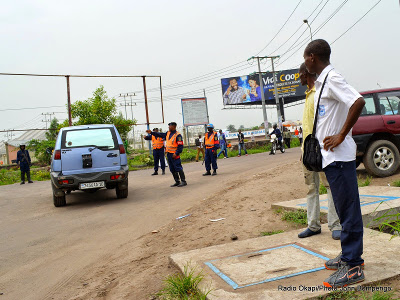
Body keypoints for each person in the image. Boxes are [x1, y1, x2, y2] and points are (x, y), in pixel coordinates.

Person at [304, 39, 366, 288]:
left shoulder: (333, 78)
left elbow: (358, 101)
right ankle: (348, 255)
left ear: (311, 57)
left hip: (339, 157)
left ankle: (353, 266)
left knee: (348, 211)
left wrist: (341, 134)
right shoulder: (324, 81)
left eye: (305, 58)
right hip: (332, 158)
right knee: (342, 209)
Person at [297, 62, 341, 241]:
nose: (298, 77)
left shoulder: (319, 94)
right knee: (311, 188)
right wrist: (303, 151)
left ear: (306, 74)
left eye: (299, 74)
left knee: (330, 187)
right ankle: (313, 225)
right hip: (307, 151)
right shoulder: (308, 95)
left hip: (321, 150)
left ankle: (335, 225)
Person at [146, 122, 187, 187]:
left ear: (174, 126)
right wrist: (151, 133)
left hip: (174, 154)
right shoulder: (168, 133)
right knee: (172, 168)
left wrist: (176, 153)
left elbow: (180, 146)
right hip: (169, 154)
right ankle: (177, 181)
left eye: (169, 126)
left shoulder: (178, 135)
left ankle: (183, 181)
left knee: (178, 167)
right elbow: (159, 134)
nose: (168, 127)